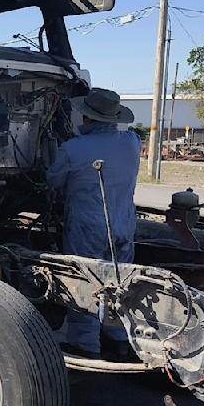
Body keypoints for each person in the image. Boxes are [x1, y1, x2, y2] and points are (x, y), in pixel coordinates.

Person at [46, 88, 141, 360]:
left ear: (87, 118)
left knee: (84, 281)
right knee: (119, 282)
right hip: (124, 223)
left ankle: (85, 344)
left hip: (87, 227)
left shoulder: (73, 149)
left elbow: (52, 181)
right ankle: (118, 338)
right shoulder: (132, 142)